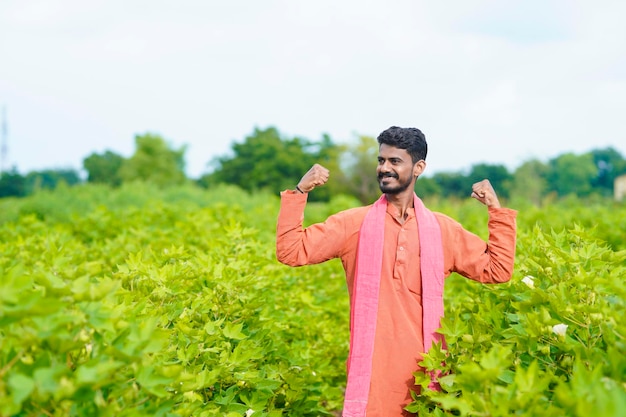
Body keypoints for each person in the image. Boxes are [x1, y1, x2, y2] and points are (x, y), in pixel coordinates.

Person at [275, 126, 517, 416]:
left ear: (419, 168)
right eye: (381, 161)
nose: (384, 168)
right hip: (372, 380)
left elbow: (498, 270)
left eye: (394, 161)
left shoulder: (442, 230)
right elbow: (291, 251)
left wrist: (496, 209)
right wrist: (300, 192)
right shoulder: (354, 224)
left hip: (427, 377)